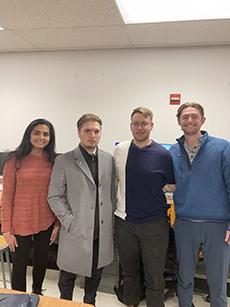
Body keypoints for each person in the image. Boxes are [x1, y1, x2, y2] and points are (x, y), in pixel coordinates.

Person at [48, 113, 115, 306]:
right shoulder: (64, 161)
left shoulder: (108, 159)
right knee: (67, 279)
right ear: (79, 132)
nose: (92, 135)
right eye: (87, 130)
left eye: (96, 131)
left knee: (95, 276)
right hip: (75, 230)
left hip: (100, 232)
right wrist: (69, 220)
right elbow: (54, 196)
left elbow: (111, 193)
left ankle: (89, 303)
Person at [170, 102, 230, 307]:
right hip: (185, 222)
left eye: (194, 116)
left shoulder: (222, 147)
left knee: (217, 281)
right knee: (184, 278)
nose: (189, 120)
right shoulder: (172, 152)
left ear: (203, 120)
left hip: (218, 224)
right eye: (185, 117)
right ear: (179, 121)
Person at [114, 106, 175, 307]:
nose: (139, 127)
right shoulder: (120, 150)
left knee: (154, 275)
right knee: (129, 272)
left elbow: (171, 185)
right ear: (131, 126)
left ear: (151, 125)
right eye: (136, 123)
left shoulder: (163, 154)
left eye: (144, 123)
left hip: (154, 225)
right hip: (125, 223)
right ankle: (130, 303)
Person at [1, 118, 60, 294]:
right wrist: (6, 230)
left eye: (46, 134)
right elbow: (7, 197)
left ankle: (36, 293)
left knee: (41, 261)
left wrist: (57, 223)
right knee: (19, 264)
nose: (41, 137)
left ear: (50, 138)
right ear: (29, 134)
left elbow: (58, 193)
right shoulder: (14, 160)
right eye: (37, 133)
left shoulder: (53, 161)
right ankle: (18, 298)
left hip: (46, 219)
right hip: (20, 221)